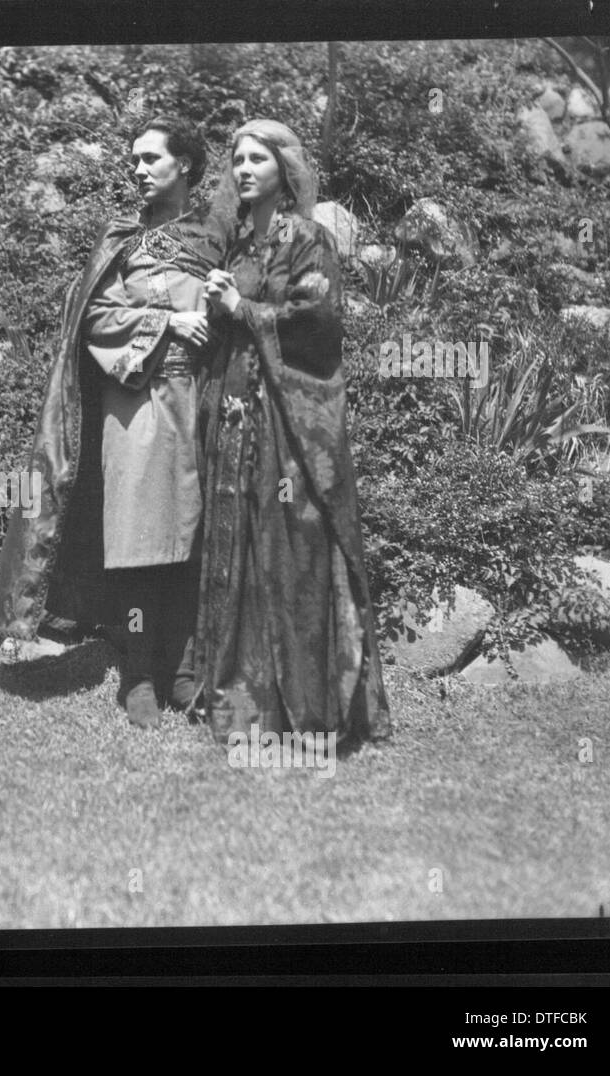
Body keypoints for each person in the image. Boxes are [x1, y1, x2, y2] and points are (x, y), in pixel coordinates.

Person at [0, 116, 228, 729]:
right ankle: (139, 675)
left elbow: (245, 307)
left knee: (196, 540)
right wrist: (166, 322)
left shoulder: (217, 236)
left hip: (204, 401)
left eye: (153, 159)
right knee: (138, 542)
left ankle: (186, 669)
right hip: (138, 401)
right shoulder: (121, 239)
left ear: (188, 168)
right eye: (135, 160)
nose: (139, 170)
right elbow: (92, 317)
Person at [191, 118, 390, 747]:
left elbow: (317, 322)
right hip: (234, 412)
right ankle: (242, 697)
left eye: (259, 159)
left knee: (292, 547)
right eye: (237, 160)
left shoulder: (308, 238)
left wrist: (241, 309)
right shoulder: (235, 247)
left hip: (288, 420)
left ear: (286, 170)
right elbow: (232, 326)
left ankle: (309, 707)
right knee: (240, 542)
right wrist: (214, 307)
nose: (244, 169)